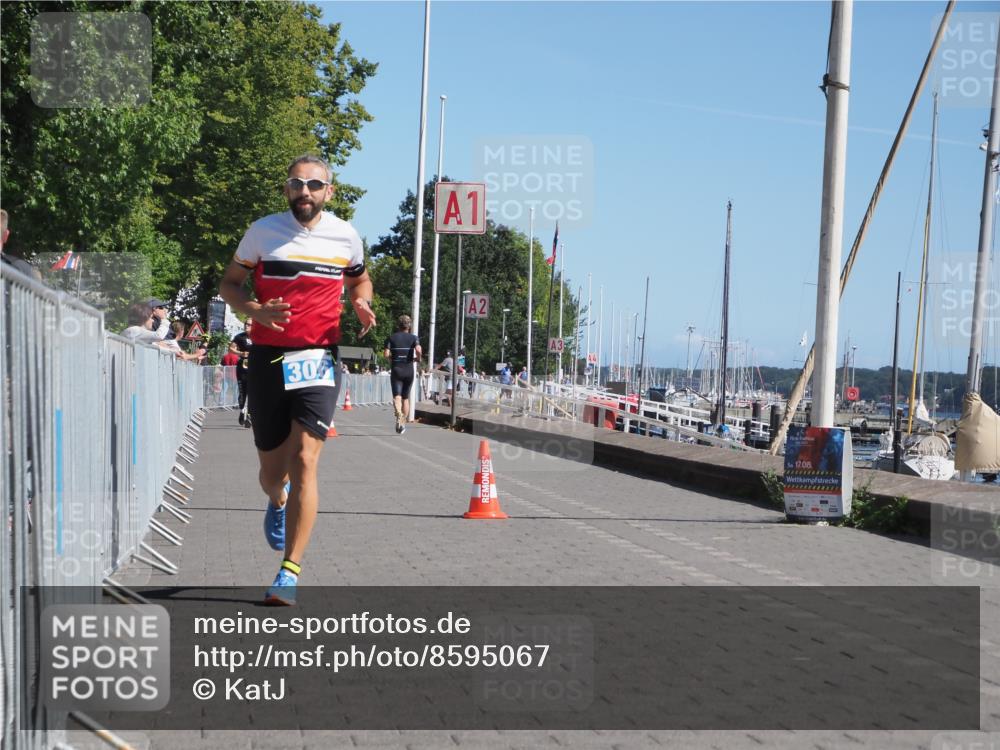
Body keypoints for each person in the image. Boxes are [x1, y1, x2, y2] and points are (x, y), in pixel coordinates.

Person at [219, 154, 375, 606]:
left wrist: (362, 303)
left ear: (329, 191)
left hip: (319, 358)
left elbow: (360, 282)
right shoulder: (262, 232)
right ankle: (277, 498)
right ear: (286, 189)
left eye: (313, 184)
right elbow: (230, 284)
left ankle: (289, 571)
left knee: (306, 458)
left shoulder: (345, 236)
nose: (303, 191)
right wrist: (253, 311)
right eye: (295, 183)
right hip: (268, 357)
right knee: (272, 470)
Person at [383, 314, 422, 434]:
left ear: (398, 325)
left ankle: (399, 414)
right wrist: (418, 359)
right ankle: (402, 422)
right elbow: (418, 350)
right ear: (409, 326)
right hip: (409, 369)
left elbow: (385, 354)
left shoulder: (391, 338)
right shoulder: (414, 338)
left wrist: (391, 358)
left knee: (397, 396)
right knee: (406, 398)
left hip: (396, 369)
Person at [229, 319, 254, 427]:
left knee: (253, 392)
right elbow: (230, 349)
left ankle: (249, 415)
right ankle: (242, 410)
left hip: (255, 367)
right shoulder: (240, 337)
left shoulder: (258, 337)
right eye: (245, 324)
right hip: (242, 367)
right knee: (243, 392)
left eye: (249, 324)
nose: (246, 326)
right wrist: (241, 353)